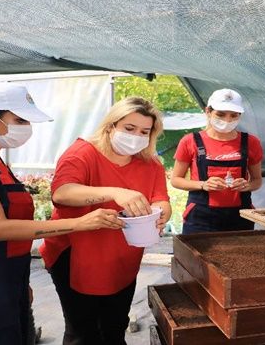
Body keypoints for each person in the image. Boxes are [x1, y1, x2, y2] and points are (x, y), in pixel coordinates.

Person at [0, 83, 121, 345]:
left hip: (7, 272)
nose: (26, 127)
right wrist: (80, 223)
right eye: (19, 119)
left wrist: (18, 281)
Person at [39, 96, 171, 345]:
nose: (136, 136)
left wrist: (160, 213)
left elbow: (161, 199)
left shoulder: (150, 163)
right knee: (83, 331)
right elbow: (62, 192)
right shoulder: (83, 153)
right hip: (76, 252)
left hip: (123, 255)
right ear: (111, 125)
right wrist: (115, 192)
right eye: (129, 129)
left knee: (115, 324)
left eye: (144, 131)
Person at [171, 89, 263, 234]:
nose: (227, 120)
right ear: (208, 111)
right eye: (220, 115)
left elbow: (257, 181)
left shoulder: (251, 142)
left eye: (234, 116)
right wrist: (203, 184)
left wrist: (246, 185)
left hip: (240, 217)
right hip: (200, 218)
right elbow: (175, 180)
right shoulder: (191, 141)